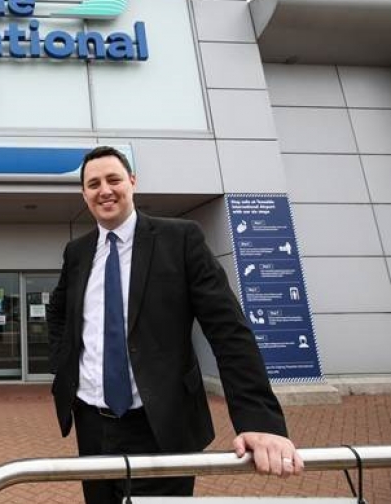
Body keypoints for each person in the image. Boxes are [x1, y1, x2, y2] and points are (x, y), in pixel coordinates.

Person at [47, 146, 303, 503]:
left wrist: (259, 422)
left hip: (159, 425)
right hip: (92, 424)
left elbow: (228, 330)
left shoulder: (181, 239)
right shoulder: (77, 252)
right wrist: (65, 368)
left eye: (113, 179)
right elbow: (58, 313)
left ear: (132, 182)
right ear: (84, 194)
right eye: (93, 183)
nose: (104, 190)